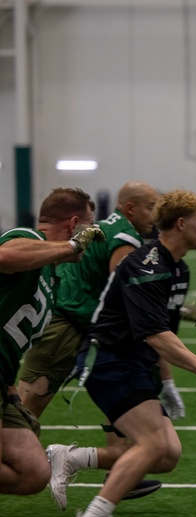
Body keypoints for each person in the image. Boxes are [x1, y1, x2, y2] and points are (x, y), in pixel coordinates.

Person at [56, 189, 196, 517]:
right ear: (181, 223)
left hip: (134, 364)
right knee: (152, 443)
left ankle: (72, 459)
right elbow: (155, 334)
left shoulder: (178, 269)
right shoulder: (147, 264)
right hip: (108, 361)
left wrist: (166, 385)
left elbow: (164, 332)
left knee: (168, 454)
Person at [25, 181, 196, 508]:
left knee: (127, 417)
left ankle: (116, 473)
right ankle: (36, 468)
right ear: (130, 208)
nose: (155, 214)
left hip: (89, 324)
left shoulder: (115, 229)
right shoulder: (126, 236)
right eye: (150, 207)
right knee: (25, 409)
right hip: (74, 324)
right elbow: (129, 291)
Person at [0, 188, 104, 496]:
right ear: (74, 224)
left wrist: (13, 396)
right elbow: (4, 256)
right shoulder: (27, 237)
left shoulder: (50, 275)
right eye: (90, 225)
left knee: (32, 474)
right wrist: (72, 246)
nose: (93, 234)